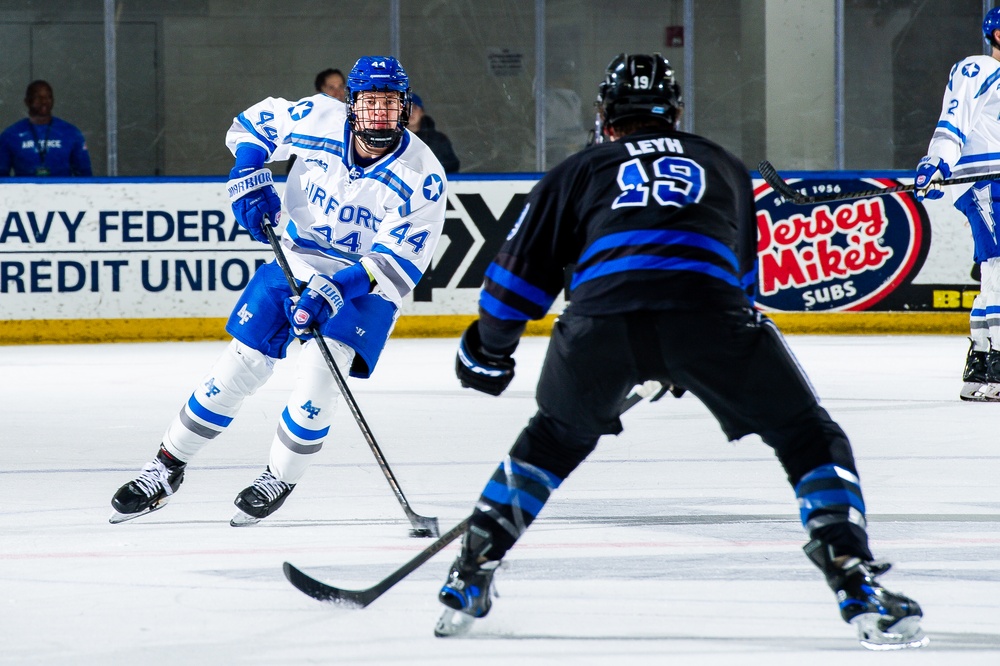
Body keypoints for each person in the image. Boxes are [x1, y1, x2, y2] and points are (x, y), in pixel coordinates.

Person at [435, 53, 927, 651]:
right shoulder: (722, 163)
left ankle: (471, 573)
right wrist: (680, 356)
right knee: (807, 437)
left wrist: (487, 356)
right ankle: (855, 584)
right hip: (710, 318)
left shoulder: (579, 168)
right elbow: (743, 286)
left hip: (599, 325)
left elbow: (513, 285)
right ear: (674, 112)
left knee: (552, 440)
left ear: (606, 117)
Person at [108, 55, 447, 527]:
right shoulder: (319, 116)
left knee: (318, 381)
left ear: (404, 108)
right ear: (351, 106)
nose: (379, 115)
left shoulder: (422, 174)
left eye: (389, 105)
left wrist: (334, 289)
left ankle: (278, 477)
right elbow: (253, 125)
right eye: (370, 103)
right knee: (236, 367)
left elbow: (397, 262)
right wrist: (248, 174)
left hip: (361, 286)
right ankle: (165, 469)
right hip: (296, 259)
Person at [916, 7, 1000, 402]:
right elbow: (954, 119)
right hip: (987, 182)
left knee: (992, 272)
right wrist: (937, 161)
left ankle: (982, 365)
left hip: (990, 182)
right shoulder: (979, 67)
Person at [0, 80, 92, 177]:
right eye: (38, 97)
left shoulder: (71, 133)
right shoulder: (10, 135)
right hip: (25, 191)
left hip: (64, 191)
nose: (44, 101)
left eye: (48, 97)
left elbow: (85, 174)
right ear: (27, 101)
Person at [408, 93, 460, 173]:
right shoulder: (392, 140)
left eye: (414, 108)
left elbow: (451, 166)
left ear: (422, 112)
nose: (410, 112)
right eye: (405, 109)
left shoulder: (439, 140)